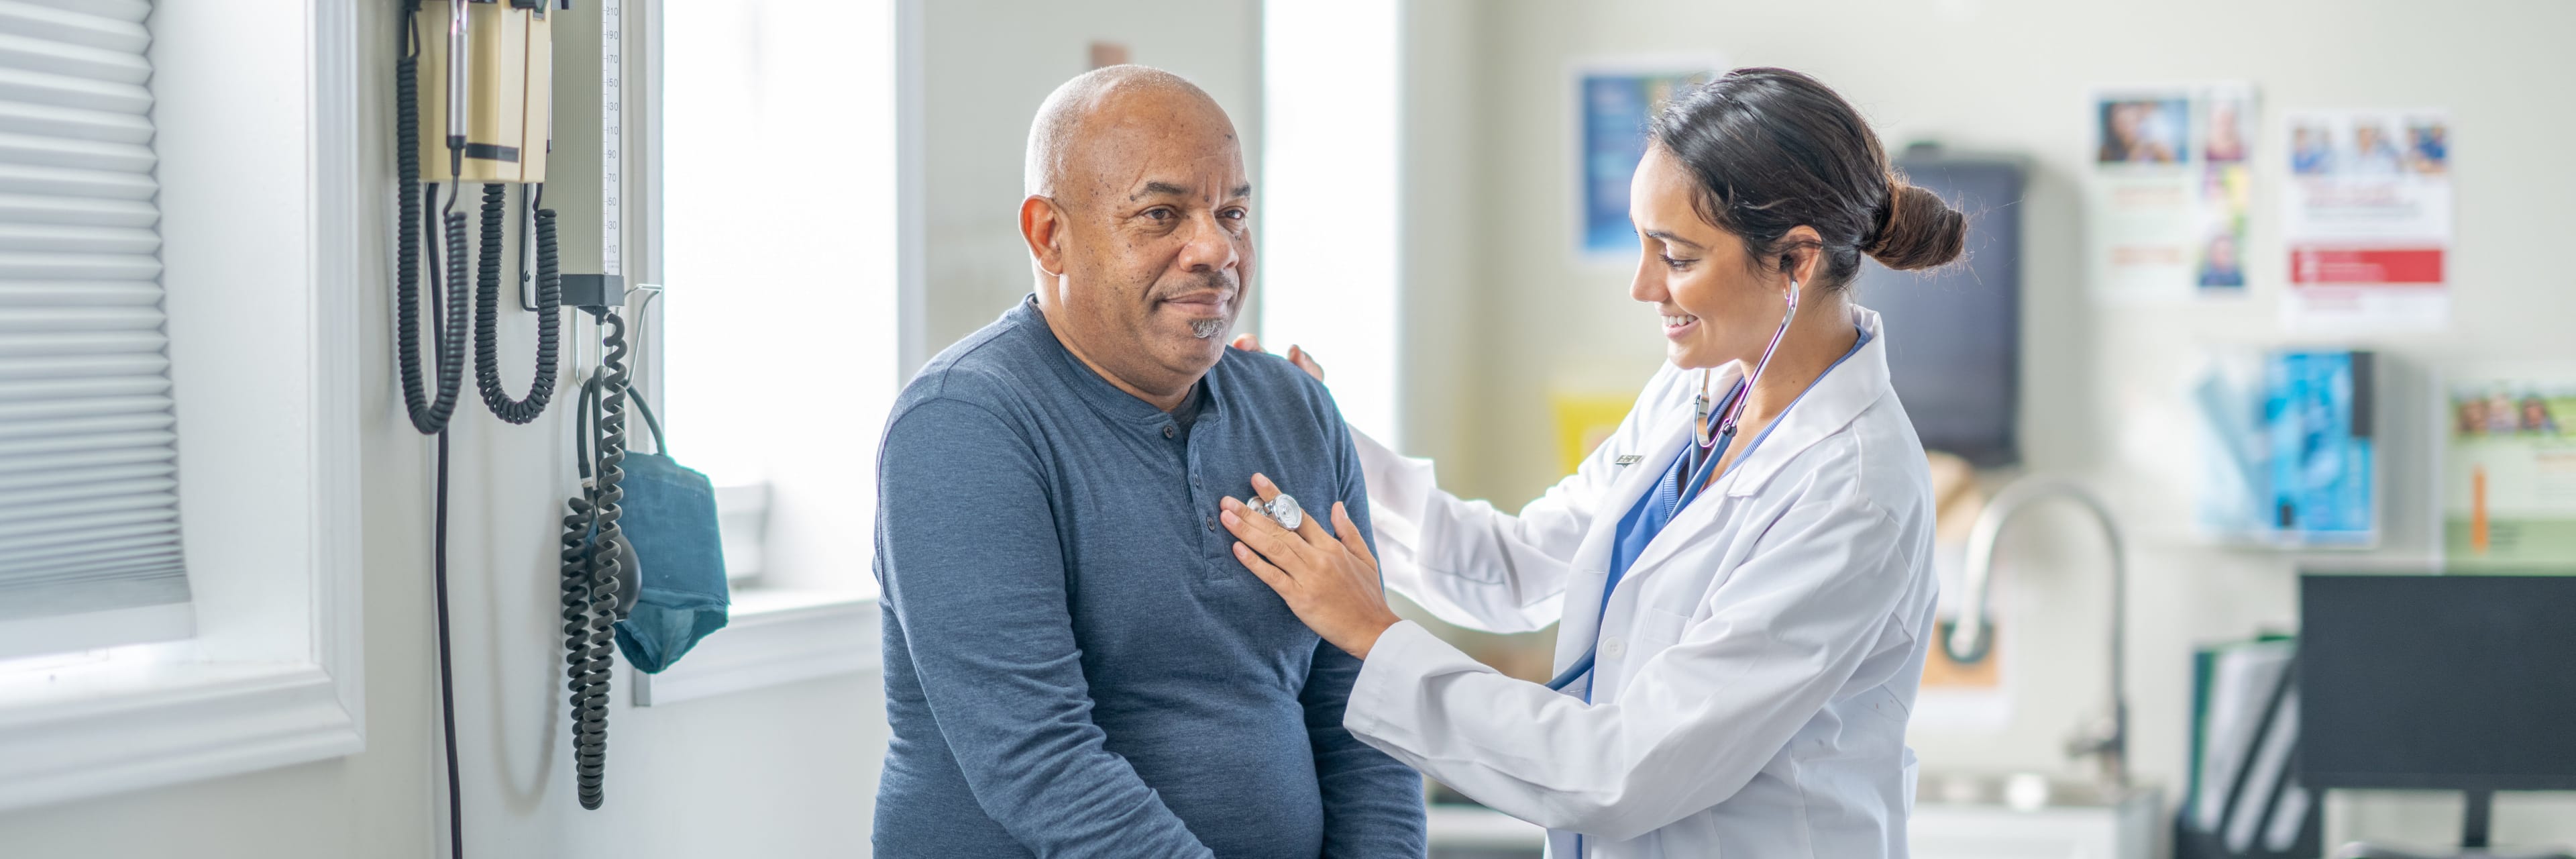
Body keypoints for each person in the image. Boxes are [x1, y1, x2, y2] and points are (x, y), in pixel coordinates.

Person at [1221, 67, 1957, 857]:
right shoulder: (1701, 395)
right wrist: (1327, 438)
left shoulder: (1853, 494)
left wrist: (1373, 632)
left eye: (1675, 255)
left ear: (1795, 262)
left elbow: (1626, 770)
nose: (1644, 286)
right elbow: (1519, 564)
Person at [870, 66, 1424, 858]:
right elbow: (1041, 761)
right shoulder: (965, 423)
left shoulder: (1297, 410)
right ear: (1048, 235)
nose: (1215, 248)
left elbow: (1365, 710)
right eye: (1162, 213)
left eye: (1232, 211)